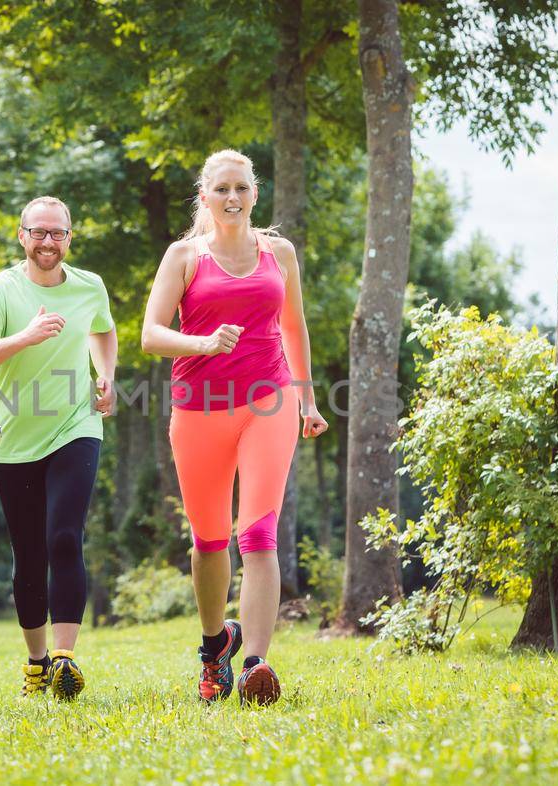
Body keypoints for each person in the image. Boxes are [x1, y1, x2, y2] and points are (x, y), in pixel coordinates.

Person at [141, 150, 328, 706]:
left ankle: (255, 666)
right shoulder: (184, 256)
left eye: (241, 188)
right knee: (209, 540)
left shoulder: (280, 253)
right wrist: (200, 341)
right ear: (205, 196)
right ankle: (214, 646)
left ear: (254, 193)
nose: (232, 198)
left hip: (268, 403)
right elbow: (150, 334)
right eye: (221, 189)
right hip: (198, 410)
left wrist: (307, 398)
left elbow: (293, 327)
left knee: (259, 535)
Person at [0, 196, 117, 700]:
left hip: (76, 426)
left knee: (64, 536)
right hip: (14, 439)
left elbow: (103, 329)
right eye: (39, 232)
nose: (48, 242)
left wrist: (107, 377)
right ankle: (36, 661)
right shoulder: (1, 290)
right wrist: (28, 336)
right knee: (28, 555)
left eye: (58, 233)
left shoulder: (89, 286)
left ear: (69, 238)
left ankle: (65, 659)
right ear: (22, 235)